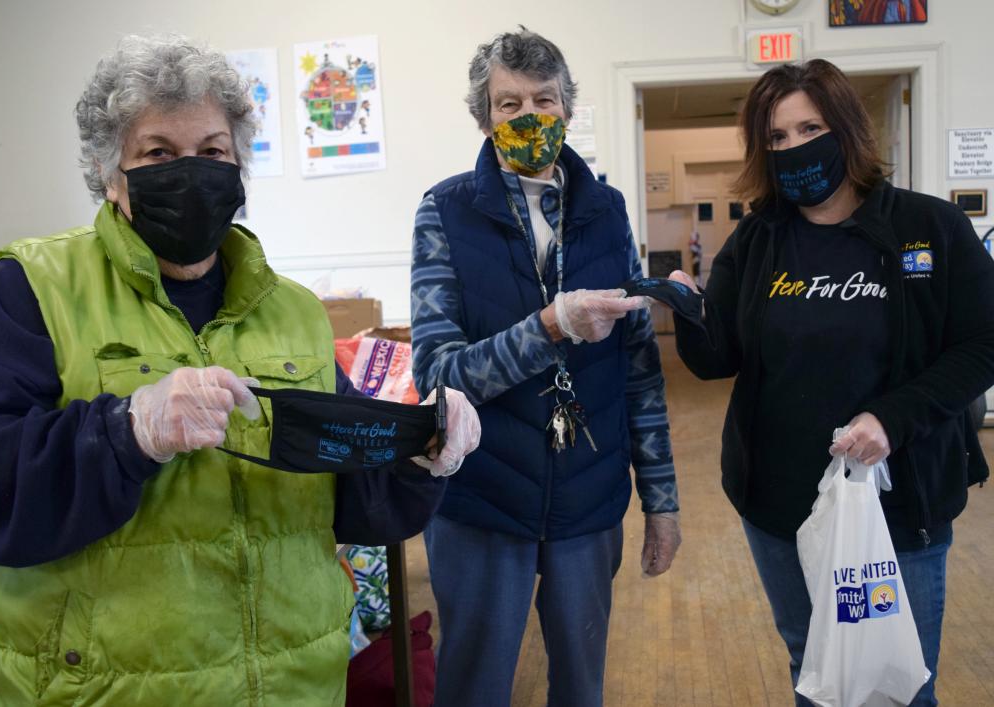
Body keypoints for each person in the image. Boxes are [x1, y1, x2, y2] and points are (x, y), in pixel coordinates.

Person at [0, 35, 479, 706]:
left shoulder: (293, 312)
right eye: (158, 153)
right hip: (101, 689)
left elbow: (354, 500)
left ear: (238, 166)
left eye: (212, 151)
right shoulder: (30, 288)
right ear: (109, 172)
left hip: (294, 684)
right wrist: (128, 432)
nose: (190, 173)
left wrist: (418, 452)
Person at [668, 59, 994, 706]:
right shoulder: (757, 239)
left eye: (809, 128)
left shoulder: (929, 228)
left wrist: (891, 419)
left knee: (897, 686)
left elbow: (982, 344)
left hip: (896, 507)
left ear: (846, 127)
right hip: (779, 505)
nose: (793, 147)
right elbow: (716, 359)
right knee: (814, 674)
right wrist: (685, 309)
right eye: (776, 136)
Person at [411, 27, 681, 707]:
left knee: (581, 688)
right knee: (473, 689)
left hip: (588, 497)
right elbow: (437, 376)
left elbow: (640, 370)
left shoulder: (607, 211)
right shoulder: (445, 212)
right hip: (482, 500)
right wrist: (549, 328)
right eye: (509, 104)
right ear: (484, 117)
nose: (529, 116)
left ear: (567, 108)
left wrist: (662, 501)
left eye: (544, 99)